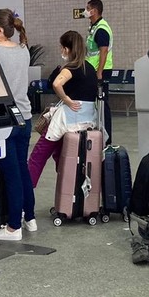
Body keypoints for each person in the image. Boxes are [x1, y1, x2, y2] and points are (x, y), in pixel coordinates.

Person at [0, 8, 36, 241]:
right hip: (25, 116)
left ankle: (13, 227)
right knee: (22, 168)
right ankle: (29, 218)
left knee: (10, 174)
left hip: (4, 119)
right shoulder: (23, 50)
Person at [27, 31, 98, 186]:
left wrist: (66, 99)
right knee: (62, 155)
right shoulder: (90, 68)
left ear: (67, 49)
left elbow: (56, 84)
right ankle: (68, 188)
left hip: (66, 120)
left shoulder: (70, 68)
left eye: (62, 47)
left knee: (38, 155)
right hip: (86, 121)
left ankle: (27, 189)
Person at [84, 0, 113, 143]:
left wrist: (99, 72)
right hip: (93, 69)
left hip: (100, 71)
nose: (85, 11)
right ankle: (97, 135)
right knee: (95, 103)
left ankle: (107, 139)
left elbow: (104, 51)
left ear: (94, 11)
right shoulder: (94, 27)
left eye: (88, 8)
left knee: (102, 105)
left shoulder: (101, 29)